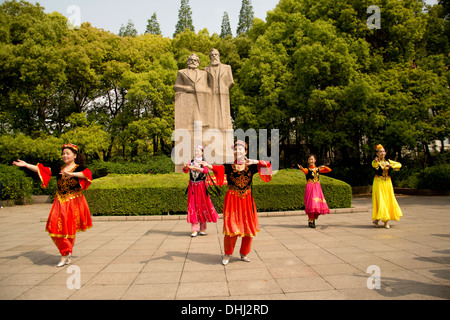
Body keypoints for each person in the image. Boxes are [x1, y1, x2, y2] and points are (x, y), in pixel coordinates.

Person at [12, 143, 93, 267]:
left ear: (75, 155)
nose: (65, 155)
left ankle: (66, 254)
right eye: (63, 153)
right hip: (59, 201)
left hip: (74, 201)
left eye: (68, 153)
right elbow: (43, 170)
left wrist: (72, 175)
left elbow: (87, 174)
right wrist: (26, 165)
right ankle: (66, 252)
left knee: (69, 230)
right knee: (54, 228)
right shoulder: (59, 168)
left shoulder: (79, 168)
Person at [203, 140, 272, 265]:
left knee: (248, 228)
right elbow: (219, 168)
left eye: (240, 149)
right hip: (232, 200)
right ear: (233, 152)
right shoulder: (229, 166)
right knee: (231, 227)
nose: (237, 151)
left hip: (247, 200)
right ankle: (227, 254)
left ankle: (244, 253)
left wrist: (255, 161)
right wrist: (209, 166)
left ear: (245, 151)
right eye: (235, 149)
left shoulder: (251, 165)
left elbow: (268, 165)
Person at [183, 145, 219, 237]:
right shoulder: (191, 162)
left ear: (202, 152)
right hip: (193, 187)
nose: (196, 152)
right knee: (193, 206)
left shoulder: (204, 162)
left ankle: (202, 228)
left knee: (202, 205)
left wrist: (196, 168)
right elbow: (185, 170)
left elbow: (206, 171)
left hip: (202, 187)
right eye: (195, 151)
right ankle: (194, 229)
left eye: (198, 151)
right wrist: (187, 167)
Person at [372, 144, 403, 229]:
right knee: (381, 200)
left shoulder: (388, 161)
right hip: (379, 182)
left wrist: (391, 165)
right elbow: (374, 165)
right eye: (380, 152)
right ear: (377, 153)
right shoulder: (376, 162)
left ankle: (377, 220)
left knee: (388, 200)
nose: (382, 153)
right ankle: (385, 221)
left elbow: (399, 165)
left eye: (383, 151)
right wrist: (376, 161)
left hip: (388, 183)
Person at [297, 155, 331, 228]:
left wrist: (323, 166)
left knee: (317, 203)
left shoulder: (318, 169)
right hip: (310, 187)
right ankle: (311, 221)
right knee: (311, 203)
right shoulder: (307, 169)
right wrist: (301, 168)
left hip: (317, 187)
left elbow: (329, 170)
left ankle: (313, 219)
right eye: (309, 159)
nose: (311, 161)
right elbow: (304, 171)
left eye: (312, 159)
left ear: (315, 160)